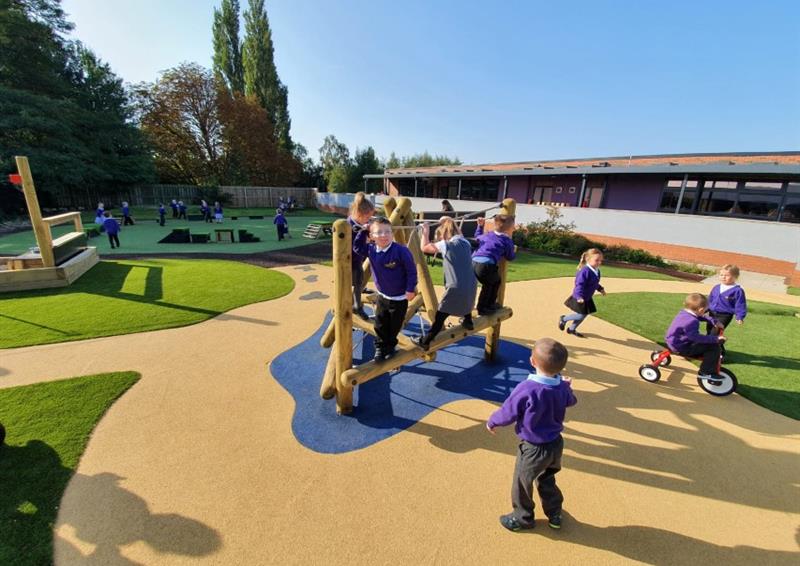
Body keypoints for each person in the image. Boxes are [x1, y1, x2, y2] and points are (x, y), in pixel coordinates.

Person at [487, 338, 577, 532]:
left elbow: (508, 411)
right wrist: (566, 386)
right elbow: (571, 401)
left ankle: (523, 517)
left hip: (533, 448)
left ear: (532, 362)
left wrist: (493, 421)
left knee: (522, 481)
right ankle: (555, 513)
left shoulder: (527, 389)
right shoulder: (561, 386)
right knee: (547, 478)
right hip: (555, 444)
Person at [355, 216, 417, 361]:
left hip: (400, 298)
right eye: (379, 232)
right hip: (382, 296)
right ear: (372, 236)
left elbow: (411, 271)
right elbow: (357, 247)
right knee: (380, 324)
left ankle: (390, 347)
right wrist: (362, 232)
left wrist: (410, 289)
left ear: (392, 233)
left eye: (387, 232)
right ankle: (380, 348)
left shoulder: (401, 251)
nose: (384, 235)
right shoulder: (371, 250)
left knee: (394, 327)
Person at [412, 216, 477, 349]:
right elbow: (459, 233)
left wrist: (425, 231)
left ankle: (426, 341)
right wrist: (449, 220)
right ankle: (468, 321)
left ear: (444, 234)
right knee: (467, 301)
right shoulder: (465, 242)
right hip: (471, 283)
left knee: (441, 315)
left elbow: (424, 248)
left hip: (455, 286)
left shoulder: (446, 244)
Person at [665, 293, 726, 380]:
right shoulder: (692, 321)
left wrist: (713, 321)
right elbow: (695, 337)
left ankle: (709, 363)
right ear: (701, 310)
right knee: (713, 347)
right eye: (705, 310)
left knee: (709, 343)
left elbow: (700, 317)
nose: (705, 311)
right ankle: (706, 372)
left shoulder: (684, 313)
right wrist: (715, 339)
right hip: (681, 347)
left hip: (674, 341)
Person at [472, 214, 516, 315]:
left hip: (473, 262)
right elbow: (510, 257)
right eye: (513, 227)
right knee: (491, 284)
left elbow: (477, 237)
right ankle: (483, 307)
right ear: (508, 229)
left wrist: (480, 226)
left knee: (494, 281)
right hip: (485, 265)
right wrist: (513, 251)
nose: (514, 229)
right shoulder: (506, 240)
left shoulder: (488, 234)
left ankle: (488, 305)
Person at [558, 248, 606, 338]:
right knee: (581, 315)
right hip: (579, 297)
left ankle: (571, 329)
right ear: (588, 259)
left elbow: (594, 283)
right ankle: (563, 319)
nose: (599, 262)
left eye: (600, 261)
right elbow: (579, 284)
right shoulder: (585, 271)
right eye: (597, 260)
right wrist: (579, 296)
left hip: (587, 297)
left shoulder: (596, 271)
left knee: (584, 315)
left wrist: (600, 289)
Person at [348, 192, 376, 320]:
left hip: (357, 260)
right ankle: (352, 306)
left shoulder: (361, 225)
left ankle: (357, 305)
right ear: (359, 214)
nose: (369, 219)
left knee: (359, 282)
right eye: (368, 217)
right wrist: (363, 231)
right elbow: (355, 246)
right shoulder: (348, 225)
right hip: (346, 261)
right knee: (346, 284)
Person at [706, 264, 747, 333]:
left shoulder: (737, 290)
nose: (723, 277)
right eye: (721, 275)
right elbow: (710, 300)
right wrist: (704, 309)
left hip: (724, 316)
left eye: (727, 275)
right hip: (712, 314)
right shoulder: (716, 287)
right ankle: (718, 343)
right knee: (709, 332)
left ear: (735, 277)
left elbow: (740, 304)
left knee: (715, 333)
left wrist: (740, 316)